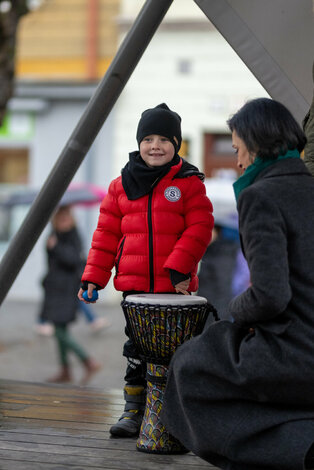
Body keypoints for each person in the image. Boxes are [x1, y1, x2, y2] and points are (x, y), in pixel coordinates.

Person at [160, 97, 314, 470]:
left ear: (256, 145)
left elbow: (269, 295)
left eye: (237, 149)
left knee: (189, 366)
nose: (238, 162)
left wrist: (232, 313)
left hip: (293, 351)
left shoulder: (260, 196)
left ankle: (297, 447)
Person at [78, 103, 214, 437]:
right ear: (139, 142)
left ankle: (174, 416)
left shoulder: (188, 183)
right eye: (148, 138)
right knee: (136, 352)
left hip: (175, 288)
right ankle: (133, 412)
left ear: (176, 144)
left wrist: (179, 267)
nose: (156, 145)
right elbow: (106, 237)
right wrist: (94, 277)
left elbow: (200, 227)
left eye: (164, 139)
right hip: (135, 289)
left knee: (175, 356)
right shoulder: (120, 186)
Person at [40, 205, 101, 384]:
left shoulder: (73, 235)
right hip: (53, 290)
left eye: (66, 217)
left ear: (71, 218)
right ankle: (65, 370)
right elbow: (51, 262)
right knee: (61, 328)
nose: (63, 220)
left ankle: (87, 360)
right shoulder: (53, 235)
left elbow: (73, 259)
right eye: (60, 217)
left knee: (59, 332)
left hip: (67, 290)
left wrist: (56, 247)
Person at [197, 214, 250, 320]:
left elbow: (235, 283)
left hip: (223, 308)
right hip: (211, 308)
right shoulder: (205, 252)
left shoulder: (228, 251)